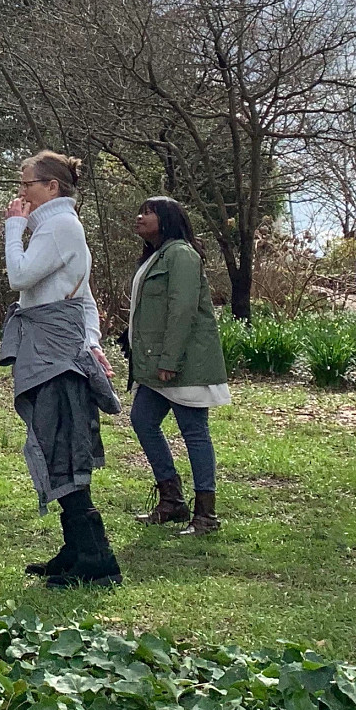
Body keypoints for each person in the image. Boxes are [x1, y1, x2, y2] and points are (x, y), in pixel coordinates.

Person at [0, 151, 121, 588]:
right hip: (54, 345)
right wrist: (91, 341)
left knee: (63, 439)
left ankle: (97, 558)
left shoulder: (60, 225)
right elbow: (83, 295)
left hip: (55, 352)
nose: (21, 193)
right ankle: (75, 549)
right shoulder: (56, 227)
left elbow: (20, 277)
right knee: (56, 441)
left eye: (27, 183)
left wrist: (13, 227)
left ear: (52, 187)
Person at [124, 197, 229, 536]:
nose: (140, 217)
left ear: (168, 219)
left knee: (194, 433)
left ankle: (206, 515)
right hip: (157, 367)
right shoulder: (158, 255)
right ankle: (172, 501)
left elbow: (181, 310)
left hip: (183, 365)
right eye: (140, 210)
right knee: (142, 419)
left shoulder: (181, 254)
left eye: (149, 212)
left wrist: (170, 359)